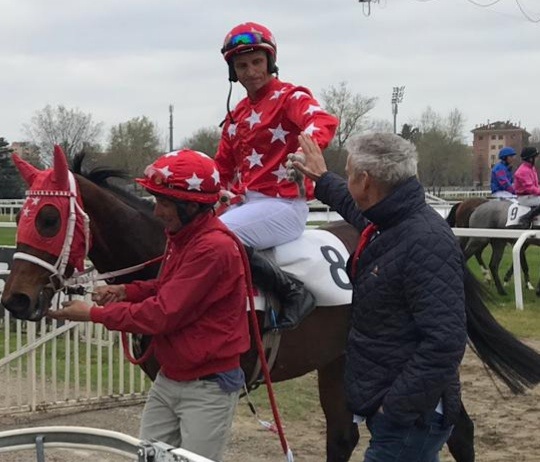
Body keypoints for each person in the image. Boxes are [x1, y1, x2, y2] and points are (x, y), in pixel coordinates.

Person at [47, 149, 250, 462]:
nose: (157, 212)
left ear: (192, 206)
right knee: (148, 458)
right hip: (171, 377)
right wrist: (126, 291)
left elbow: (163, 314)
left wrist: (94, 314)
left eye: (165, 202)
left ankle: (288, 294)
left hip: (208, 387)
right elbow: (167, 286)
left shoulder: (214, 247)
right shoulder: (182, 236)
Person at [292, 133, 467, 462]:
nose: (346, 179)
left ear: (365, 180)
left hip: (410, 416)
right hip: (404, 409)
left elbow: (445, 340)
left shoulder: (424, 240)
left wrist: (395, 408)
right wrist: (323, 179)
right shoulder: (392, 218)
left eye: (347, 173)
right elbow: (354, 206)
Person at [215, 21, 339, 330]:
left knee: (215, 237)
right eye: (242, 65)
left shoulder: (290, 97)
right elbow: (221, 169)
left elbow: (322, 120)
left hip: (283, 205)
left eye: (257, 62)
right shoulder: (236, 116)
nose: (251, 71)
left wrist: (303, 151)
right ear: (233, 72)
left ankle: (293, 292)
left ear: (270, 62)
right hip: (246, 204)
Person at [514, 146, 540, 227]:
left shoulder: (532, 169)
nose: (537, 159)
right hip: (525, 198)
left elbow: (536, 185)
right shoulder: (522, 171)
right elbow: (530, 188)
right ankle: (526, 218)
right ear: (530, 159)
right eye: (536, 157)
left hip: (531, 196)